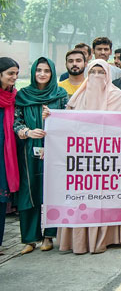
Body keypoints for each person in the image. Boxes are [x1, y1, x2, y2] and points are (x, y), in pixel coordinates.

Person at [58, 59, 121, 254]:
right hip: (81, 159)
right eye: (92, 72)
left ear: (108, 75)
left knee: (105, 198)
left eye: (101, 72)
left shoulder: (116, 96)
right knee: (81, 198)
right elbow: (67, 126)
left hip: (107, 159)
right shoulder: (78, 97)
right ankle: (78, 241)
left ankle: (105, 239)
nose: (96, 76)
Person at [13, 58, 67, 254]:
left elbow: (69, 121)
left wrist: (54, 115)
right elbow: (15, 121)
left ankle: (48, 236)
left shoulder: (60, 95)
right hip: (29, 150)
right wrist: (27, 131)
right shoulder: (23, 95)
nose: (42, 74)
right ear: (34, 72)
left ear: (52, 73)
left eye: (46, 71)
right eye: (39, 70)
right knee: (29, 191)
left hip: (53, 150)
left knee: (51, 191)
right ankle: (29, 239)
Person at [0, 58, 20, 253]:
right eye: (10, 74)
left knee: (1, 199)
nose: (14, 77)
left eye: (16, 73)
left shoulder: (14, 97)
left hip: (5, 153)